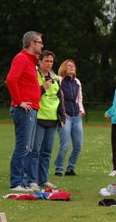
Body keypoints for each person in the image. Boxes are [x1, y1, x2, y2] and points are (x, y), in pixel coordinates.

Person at [5, 31, 43, 192]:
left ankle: (25, 182)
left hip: (32, 109)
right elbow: (11, 79)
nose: (42, 45)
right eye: (39, 42)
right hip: (23, 110)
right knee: (23, 147)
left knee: (28, 148)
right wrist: (19, 101)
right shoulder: (21, 58)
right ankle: (16, 183)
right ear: (31, 43)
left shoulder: (31, 61)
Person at [28, 50, 65, 191]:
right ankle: (32, 181)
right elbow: (31, 94)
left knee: (47, 152)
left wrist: (62, 116)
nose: (49, 64)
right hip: (38, 118)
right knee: (35, 151)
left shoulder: (55, 78)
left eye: (51, 61)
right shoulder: (34, 75)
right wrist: (43, 88)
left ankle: (43, 180)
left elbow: (59, 98)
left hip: (52, 119)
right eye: (46, 61)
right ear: (39, 61)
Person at [54, 59, 84, 176]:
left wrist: (81, 110)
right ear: (63, 68)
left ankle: (70, 168)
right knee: (65, 144)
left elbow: (79, 98)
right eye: (69, 65)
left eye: (73, 66)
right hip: (64, 116)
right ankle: (58, 168)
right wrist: (61, 113)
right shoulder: (58, 80)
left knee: (78, 145)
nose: (72, 67)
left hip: (76, 116)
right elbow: (55, 98)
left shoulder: (77, 82)